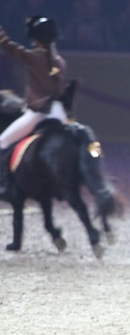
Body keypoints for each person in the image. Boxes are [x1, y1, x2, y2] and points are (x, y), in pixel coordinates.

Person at [0, 16, 69, 199]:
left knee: (3, 142)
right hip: (59, 113)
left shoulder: (33, 57)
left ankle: (6, 184)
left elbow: (8, 46)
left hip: (39, 114)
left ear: (35, 38)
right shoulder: (60, 62)